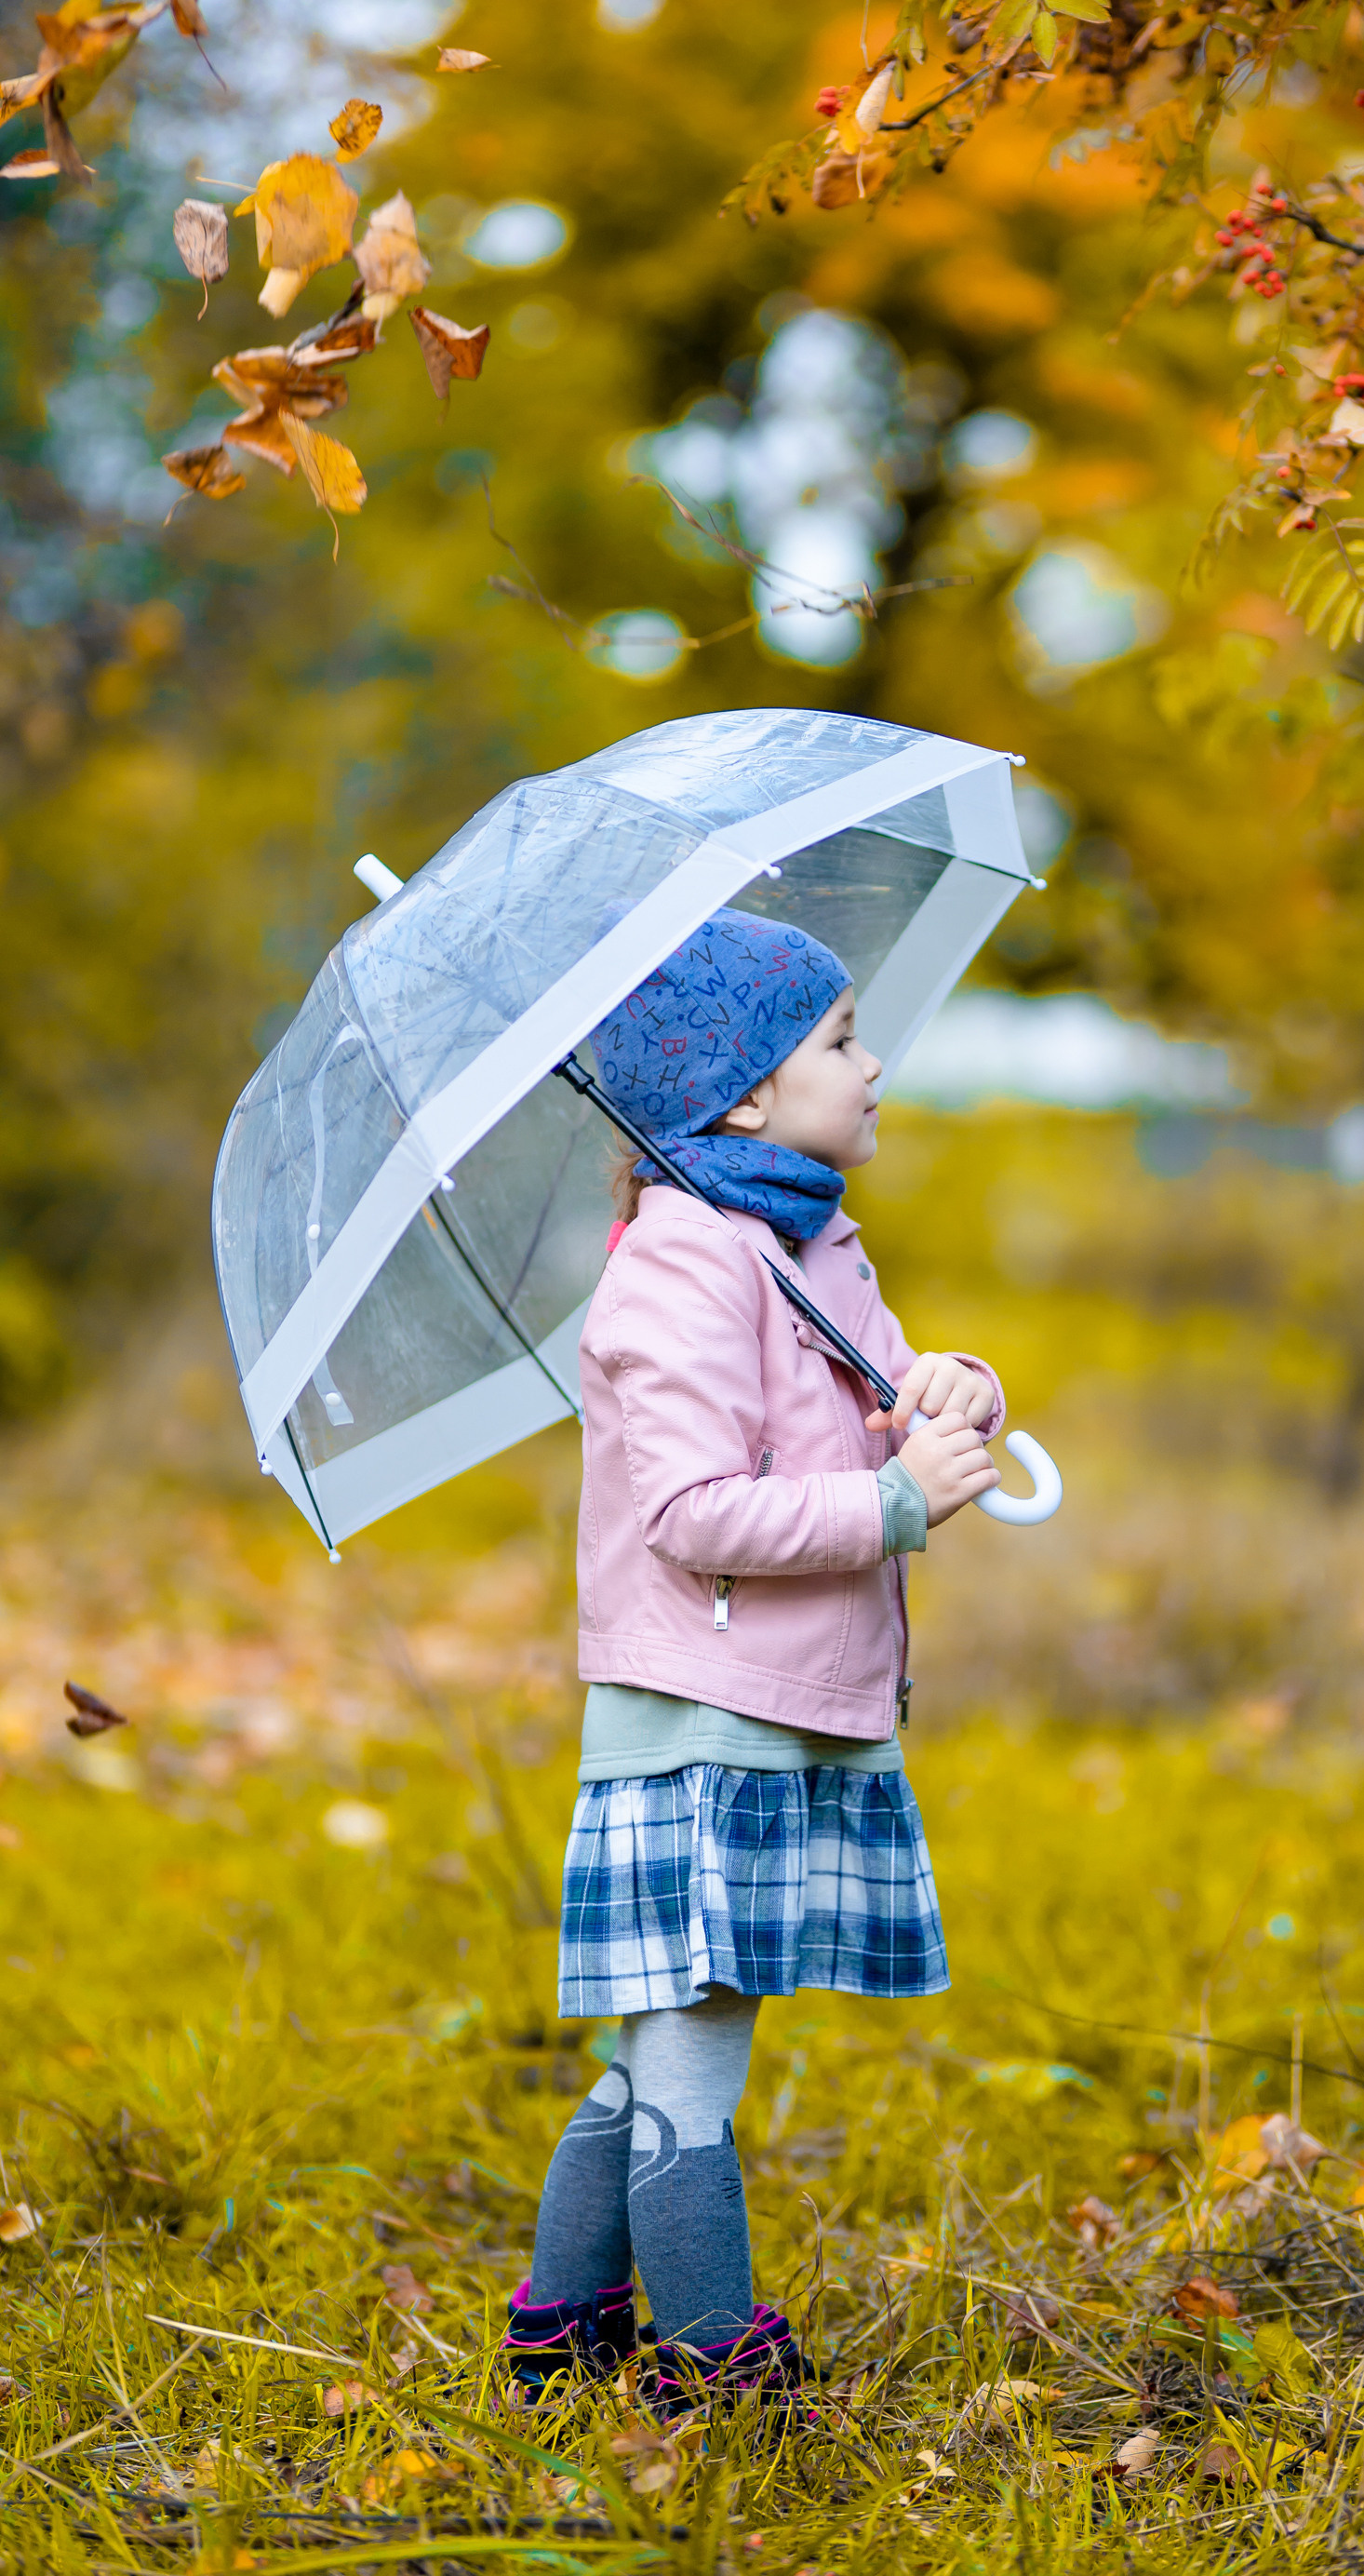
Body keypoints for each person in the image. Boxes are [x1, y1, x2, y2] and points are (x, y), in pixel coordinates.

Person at [503, 906, 1003, 2408]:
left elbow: (870, 1389)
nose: (872, 1065)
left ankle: (561, 2322)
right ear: (738, 1094)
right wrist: (895, 1504)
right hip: (702, 1709)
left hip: (786, 1701)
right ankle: (714, 2359)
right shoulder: (681, 1268)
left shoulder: (804, 1234)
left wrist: (949, 1392)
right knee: (696, 2054)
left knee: (672, 2036)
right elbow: (691, 1511)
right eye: (838, 1041)